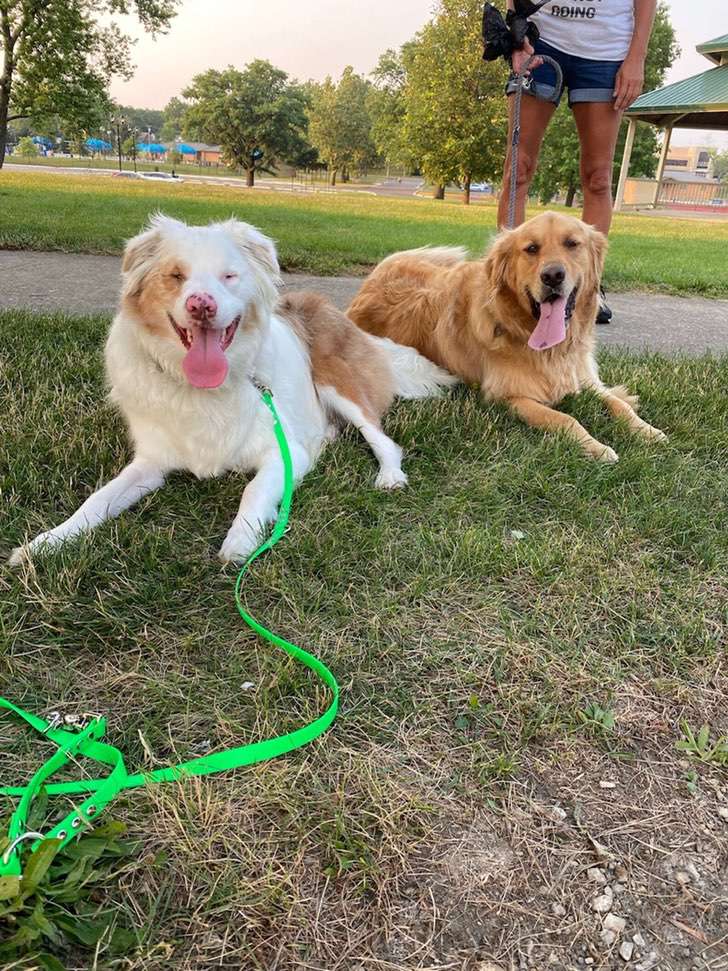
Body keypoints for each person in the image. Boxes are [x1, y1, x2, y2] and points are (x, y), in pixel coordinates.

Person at [497, 0, 657, 323]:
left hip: (606, 48)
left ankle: (588, 289)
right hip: (542, 36)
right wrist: (516, 30)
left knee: (598, 177)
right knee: (518, 170)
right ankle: (510, 285)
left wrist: (637, 56)